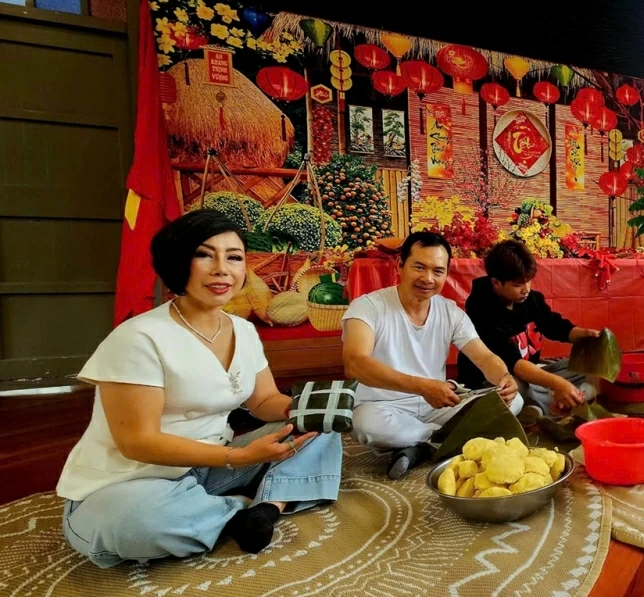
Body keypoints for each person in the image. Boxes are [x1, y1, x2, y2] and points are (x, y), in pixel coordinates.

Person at [57, 210, 343, 568]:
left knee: (322, 431)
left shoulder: (243, 330)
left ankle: (268, 508)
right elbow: (138, 442)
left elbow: (264, 400)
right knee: (135, 524)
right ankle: (238, 508)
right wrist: (238, 458)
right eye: (205, 254)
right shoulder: (139, 338)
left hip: (210, 467)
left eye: (234, 257)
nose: (222, 268)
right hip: (132, 481)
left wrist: (302, 409)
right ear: (179, 263)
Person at [342, 231, 521, 479]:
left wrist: (504, 376)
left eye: (438, 271)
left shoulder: (449, 311)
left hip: (437, 405)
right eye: (419, 267)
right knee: (364, 425)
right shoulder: (367, 307)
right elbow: (355, 364)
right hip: (383, 408)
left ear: (446, 274)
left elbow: (484, 356)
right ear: (400, 265)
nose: (428, 278)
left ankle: (418, 445)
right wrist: (422, 387)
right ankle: (446, 438)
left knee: (515, 401)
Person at [458, 240, 601, 415]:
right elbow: (514, 365)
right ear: (496, 283)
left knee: (588, 364)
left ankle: (547, 404)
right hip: (495, 381)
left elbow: (552, 324)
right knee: (517, 389)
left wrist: (582, 335)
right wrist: (557, 384)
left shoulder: (529, 299)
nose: (526, 289)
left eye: (528, 281)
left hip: (530, 373)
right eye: (517, 285)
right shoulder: (482, 313)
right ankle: (556, 401)